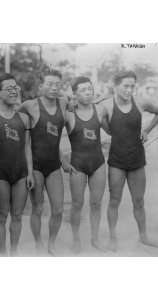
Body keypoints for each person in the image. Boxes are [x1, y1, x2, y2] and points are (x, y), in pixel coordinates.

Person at [103, 70, 158, 251]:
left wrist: (146, 131)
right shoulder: (106, 105)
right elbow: (106, 128)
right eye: (125, 86)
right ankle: (113, 239)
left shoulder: (140, 102)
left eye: (132, 86)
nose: (129, 90)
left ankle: (143, 236)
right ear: (115, 86)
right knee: (114, 200)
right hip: (116, 161)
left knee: (139, 201)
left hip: (137, 159)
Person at [20, 69, 68, 255]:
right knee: (38, 208)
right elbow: (8, 116)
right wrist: (29, 171)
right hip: (36, 165)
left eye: (57, 84)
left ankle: (52, 243)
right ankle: (39, 241)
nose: (54, 88)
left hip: (54, 164)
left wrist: (63, 158)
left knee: (57, 209)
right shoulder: (30, 105)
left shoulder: (63, 103)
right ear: (40, 87)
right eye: (49, 84)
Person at [0, 73, 34, 256]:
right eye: (9, 88)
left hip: (21, 172)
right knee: (1, 215)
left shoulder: (24, 118)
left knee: (17, 215)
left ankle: (13, 253)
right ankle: (2, 255)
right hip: (1, 172)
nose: (14, 91)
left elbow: (27, 147)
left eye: (16, 88)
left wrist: (30, 172)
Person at [63, 76, 109, 253]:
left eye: (90, 89)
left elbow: (113, 131)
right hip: (78, 165)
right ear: (74, 94)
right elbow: (49, 138)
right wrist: (63, 161)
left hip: (98, 163)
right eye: (83, 90)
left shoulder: (99, 110)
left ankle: (95, 239)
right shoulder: (69, 114)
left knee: (96, 204)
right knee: (77, 204)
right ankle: (75, 239)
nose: (88, 92)